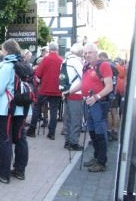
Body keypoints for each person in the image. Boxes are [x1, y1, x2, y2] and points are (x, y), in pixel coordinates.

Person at [0, 39, 29, 184]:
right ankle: (20, 170)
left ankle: (4, 174)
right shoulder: (23, 64)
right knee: (21, 139)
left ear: (6, 51)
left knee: (5, 140)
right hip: (21, 108)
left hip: (6, 109)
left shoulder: (7, 66)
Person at [68, 43, 113, 172]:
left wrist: (96, 97)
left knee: (100, 132)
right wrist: (70, 91)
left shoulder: (104, 65)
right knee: (92, 132)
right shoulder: (86, 66)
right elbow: (83, 83)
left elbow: (109, 87)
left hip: (99, 103)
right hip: (88, 102)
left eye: (90, 52)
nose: (87, 55)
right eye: (85, 53)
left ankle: (101, 162)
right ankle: (96, 157)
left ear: (96, 52)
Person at [27, 42, 63, 140]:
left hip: (44, 88)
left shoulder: (46, 59)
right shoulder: (61, 60)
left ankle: (32, 130)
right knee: (54, 111)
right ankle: (51, 133)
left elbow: (38, 74)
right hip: (56, 89)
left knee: (37, 107)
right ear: (57, 49)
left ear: (49, 49)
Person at [61, 43, 85, 151]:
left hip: (66, 92)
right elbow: (83, 77)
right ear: (81, 53)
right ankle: (74, 142)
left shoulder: (65, 61)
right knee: (76, 119)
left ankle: (67, 141)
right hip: (76, 92)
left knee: (68, 118)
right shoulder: (77, 62)